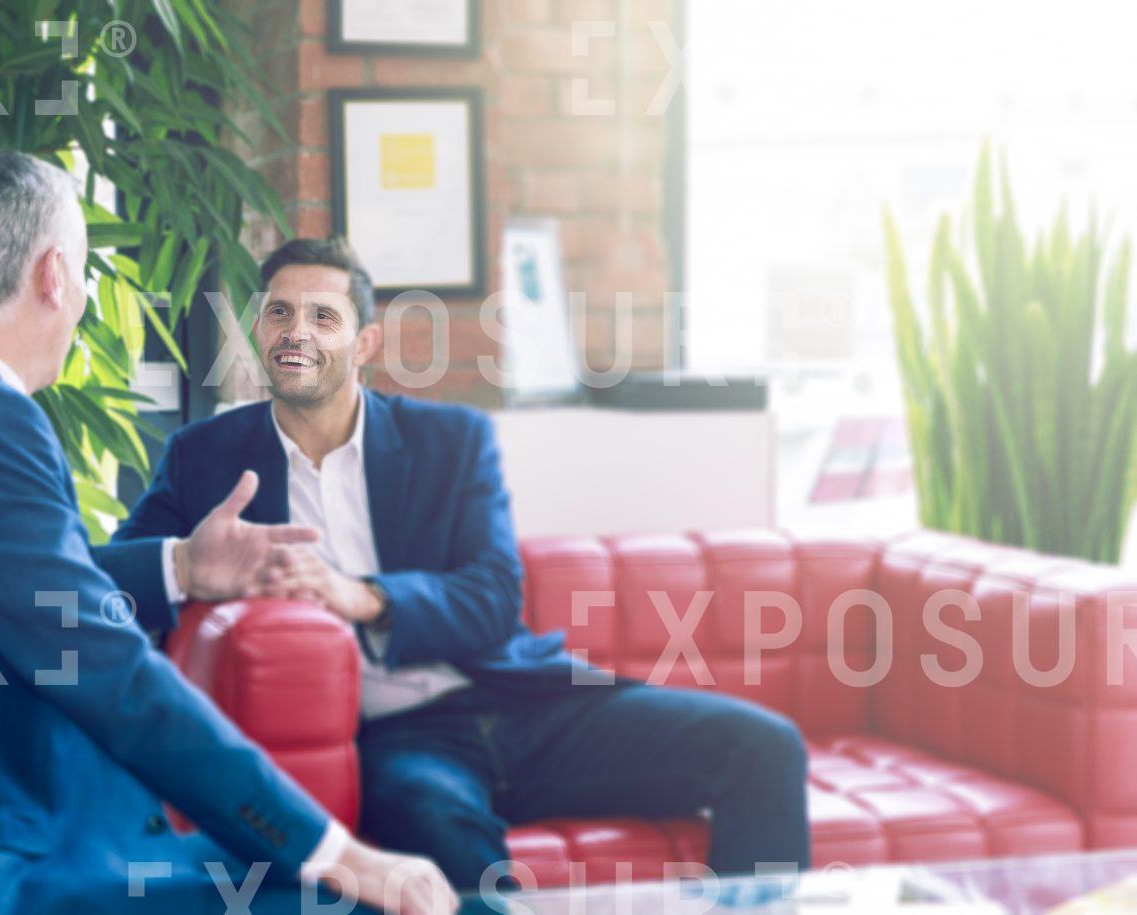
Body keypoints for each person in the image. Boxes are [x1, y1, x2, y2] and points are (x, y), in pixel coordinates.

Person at [0, 154, 456, 915]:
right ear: (53, 275)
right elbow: (111, 672)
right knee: (352, 897)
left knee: (288, 876)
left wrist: (181, 567)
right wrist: (339, 851)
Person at [114, 237, 812, 893]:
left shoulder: (449, 440)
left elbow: (492, 597)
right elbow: (100, 583)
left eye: (323, 316)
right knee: (439, 829)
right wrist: (184, 562)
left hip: (523, 703)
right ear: (259, 332)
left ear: (364, 343)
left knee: (765, 747)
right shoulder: (204, 459)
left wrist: (363, 597)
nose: (297, 332)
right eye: (279, 313)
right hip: (394, 739)